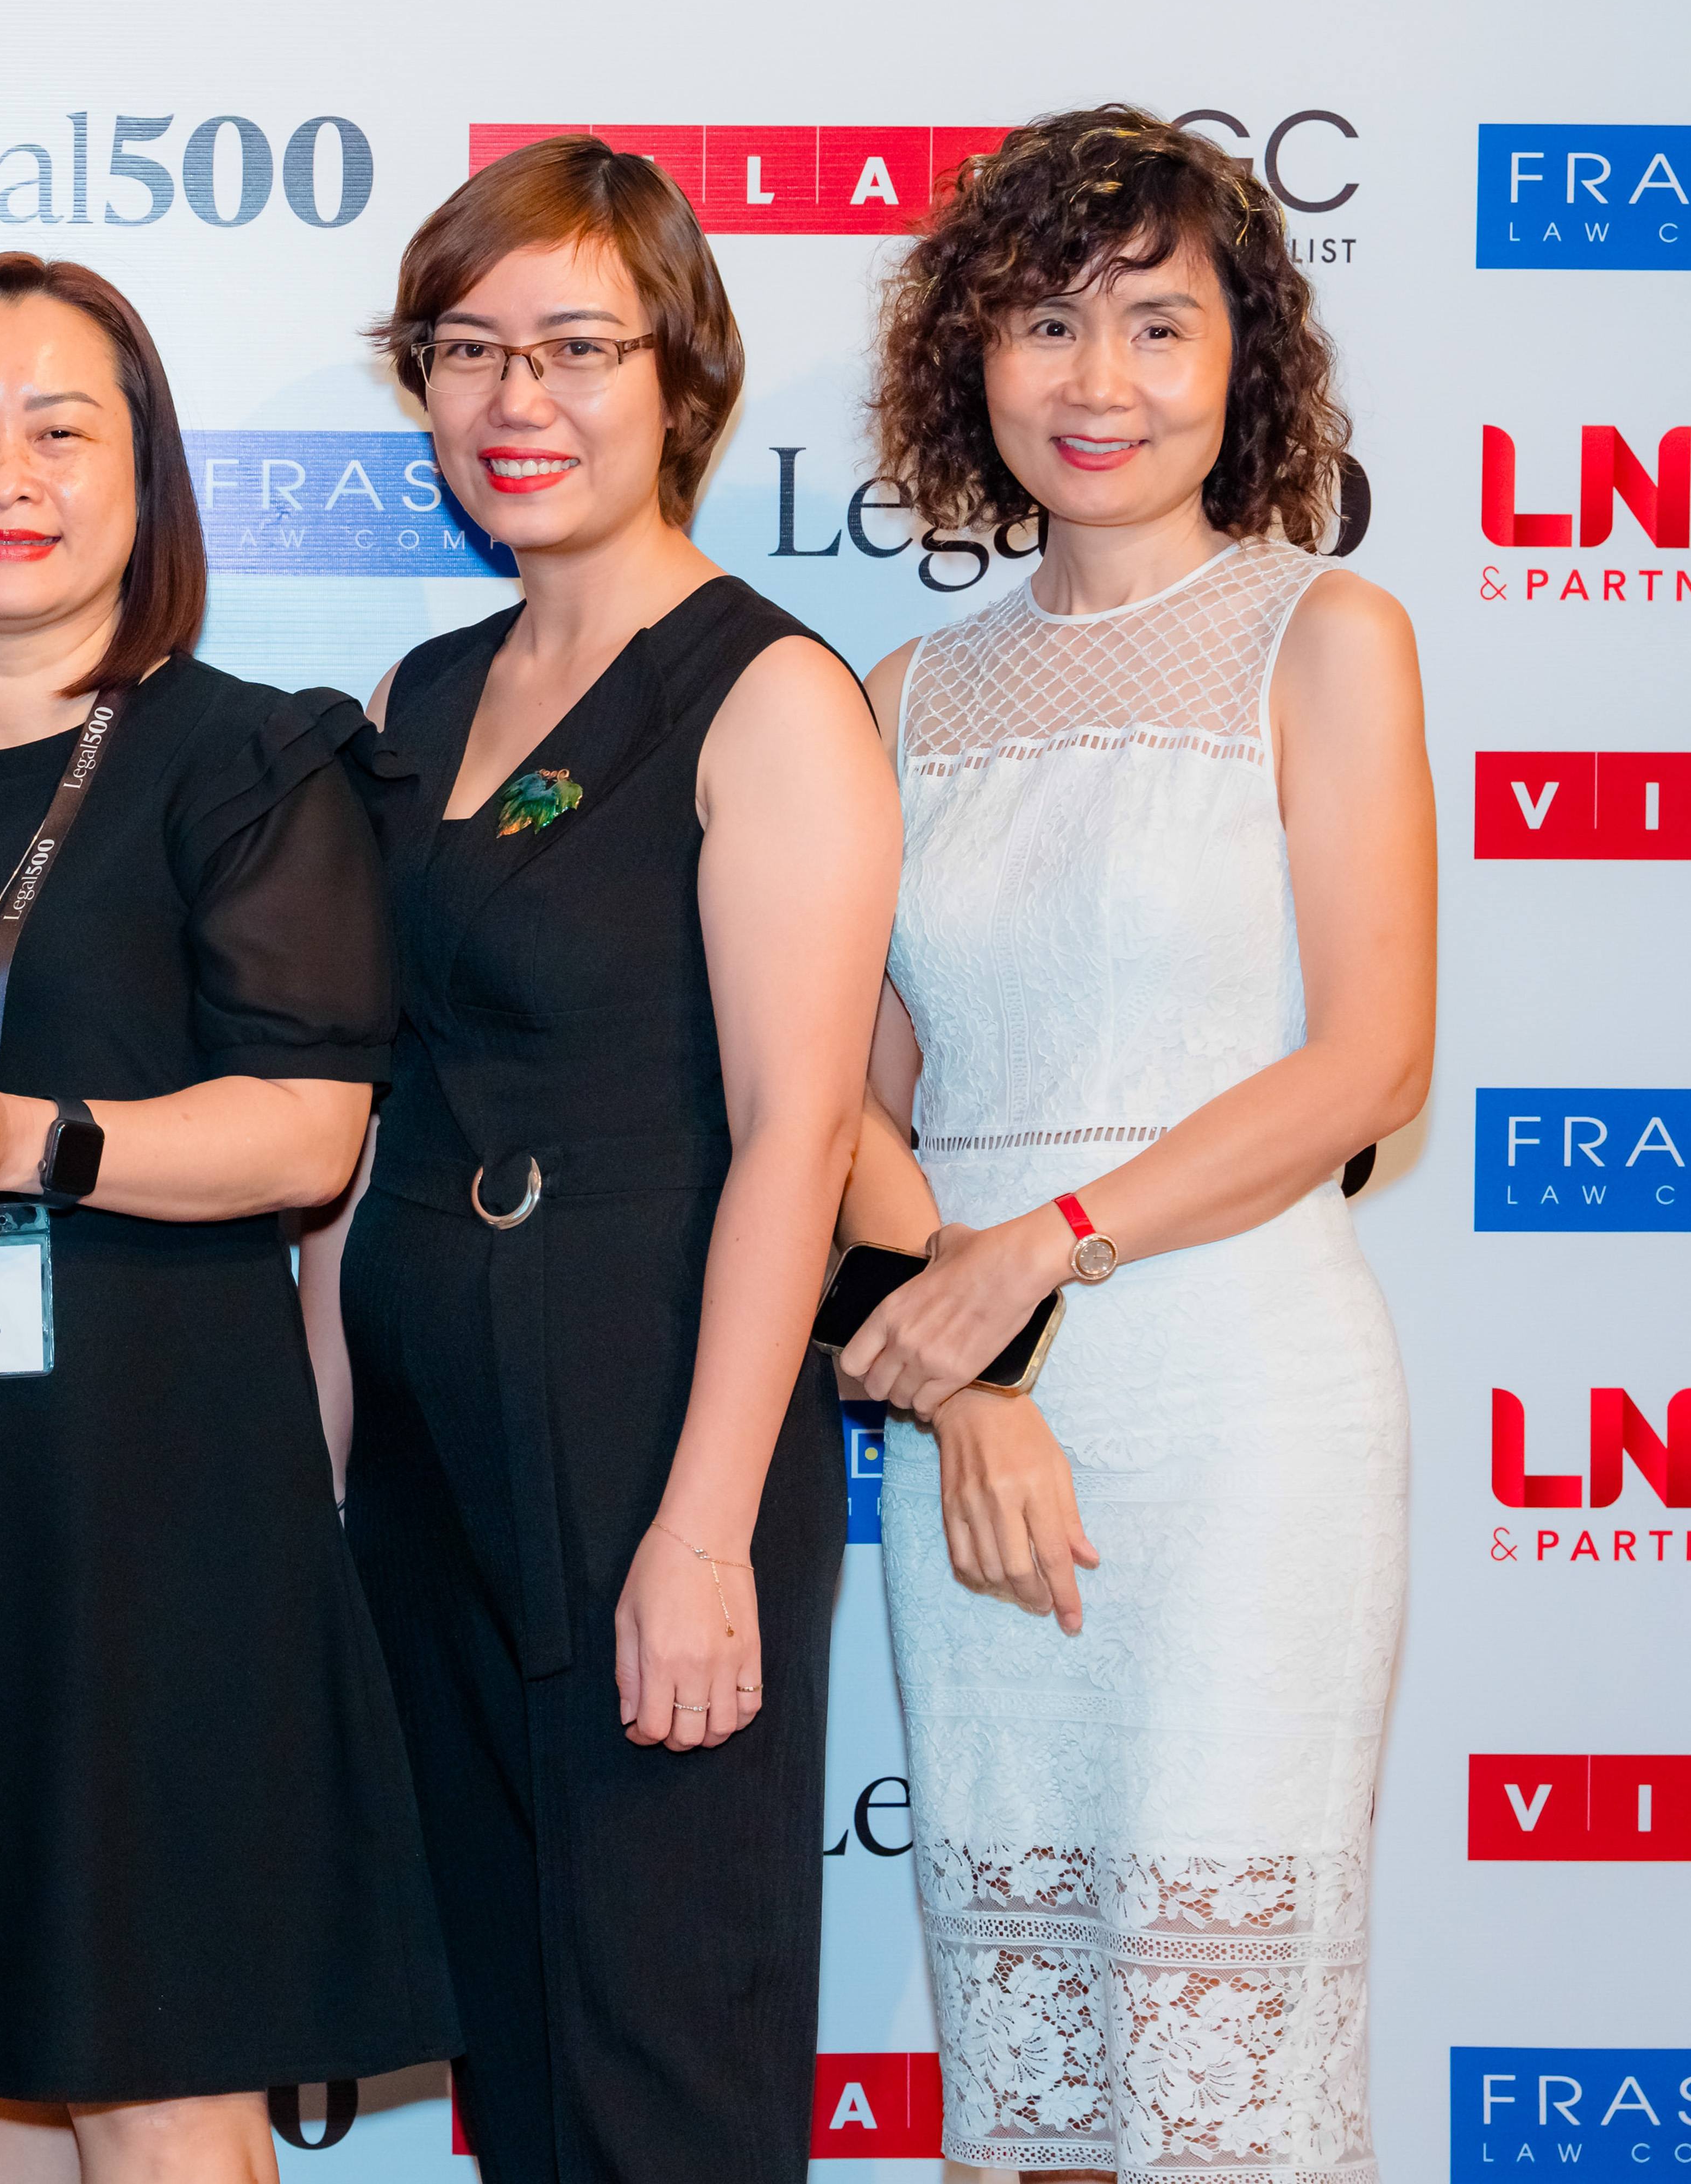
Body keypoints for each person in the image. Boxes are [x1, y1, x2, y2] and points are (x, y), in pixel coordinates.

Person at [0, 253, 455, 2182]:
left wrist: (34, 1141)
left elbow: (307, 1134)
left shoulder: (250, 762)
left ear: (148, 480)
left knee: (162, 2082)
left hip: (158, 1515)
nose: (5, 474)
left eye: (62, 429)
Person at [294, 137, 898, 2182]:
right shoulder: (422, 691)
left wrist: (704, 1532)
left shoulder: (769, 693)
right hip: (430, 1461)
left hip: (650, 1429)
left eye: (574, 347)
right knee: (521, 2072)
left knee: (663, 2062)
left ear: (680, 377)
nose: (515, 399)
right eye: (467, 351)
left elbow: (801, 1137)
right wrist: (320, 1476)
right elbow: (374, 1118)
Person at [835, 106, 1427, 2182]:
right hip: (989, 1431)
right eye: (1047, 322)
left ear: (1243, 363)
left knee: (1223, 2080)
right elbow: (855, 1109)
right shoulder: (903, 696)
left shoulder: (1324, 634)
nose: (1102, 382)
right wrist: (975, 1370)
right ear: (971, 360)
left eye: (1160, 326)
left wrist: (1044, 1246)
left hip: (1241, 1405)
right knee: (1040, 2087)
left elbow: (1369, 1062)